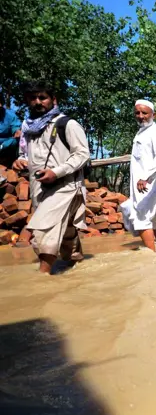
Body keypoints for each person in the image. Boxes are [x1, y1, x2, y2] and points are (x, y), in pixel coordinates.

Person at [12, 81, 89, 274]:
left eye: (42, 97)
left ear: (53, 100)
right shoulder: (29, 128)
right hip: (39, 187)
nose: (38, 102)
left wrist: (56, 172)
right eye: (33, 98)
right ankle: (77, 265)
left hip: (65, 185)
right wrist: (20, 161)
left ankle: (41, 279)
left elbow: (82, 154)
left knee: (44, 230)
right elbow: (25, 154)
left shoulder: (67, 124)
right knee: (66, 230)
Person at [120, 100, 156, 252]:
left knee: (139, 217)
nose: (140, 116)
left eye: (144, 113)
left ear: (153, 115)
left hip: (149, 185)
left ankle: (151, 256)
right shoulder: (143, 133)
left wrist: (146, 177)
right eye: (137, 113)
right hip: (150, 186)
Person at [0, 90, 21, 168]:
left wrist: (17, 131)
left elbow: (15, 127)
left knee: (16, 140)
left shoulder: (10, 115)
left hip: (5, 145)